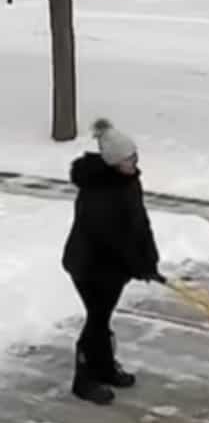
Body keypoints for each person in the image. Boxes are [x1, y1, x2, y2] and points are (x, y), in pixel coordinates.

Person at [62, 118, 165, 405]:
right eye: (127, 159)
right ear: (112, 161)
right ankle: (84, 381)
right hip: (89, 266)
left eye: (134, 157)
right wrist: (138, 265)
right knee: (97, 320)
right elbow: (111, 237)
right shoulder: (98, 190)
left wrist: (149, 259)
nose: (133, 163)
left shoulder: (128, 180)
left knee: (101, 318)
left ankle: (104, 369)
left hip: (113, 266)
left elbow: (139, 224)